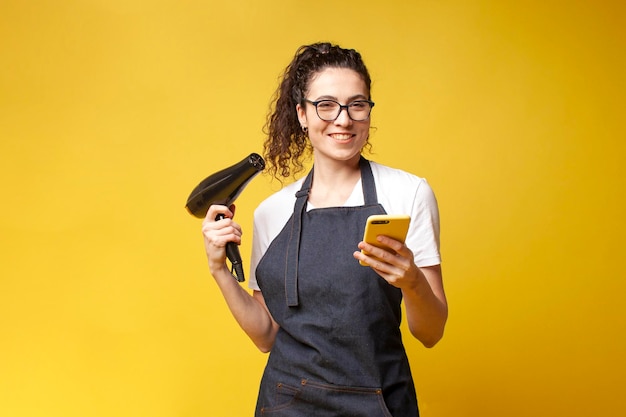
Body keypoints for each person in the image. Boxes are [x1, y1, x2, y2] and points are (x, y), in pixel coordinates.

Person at [202, 42, 448, 417]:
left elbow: (430, 333)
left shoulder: (408, 193)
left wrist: (412, 281)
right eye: (326, 105)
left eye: (357, 104)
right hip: (287, 403)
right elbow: (266, 336)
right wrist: (220, 270)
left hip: (380, 402)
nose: (344, 119)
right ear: (302, 113)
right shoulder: (272, 212)